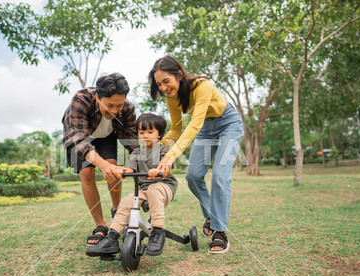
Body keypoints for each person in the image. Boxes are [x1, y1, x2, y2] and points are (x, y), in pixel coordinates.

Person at [148, 56, 244, 254]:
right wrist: (156, 148)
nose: (164, 88)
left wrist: (171, 157)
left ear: (179, 74)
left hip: (228, 123)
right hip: (205, 130)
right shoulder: (171, 98)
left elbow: (194, 124)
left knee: (220, 175)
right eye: (159, 84)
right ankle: (212, 215)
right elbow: (175, 129)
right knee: (192, 176)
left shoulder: (202, 85)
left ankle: (220, 232)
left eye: (166, 81)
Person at [62, 73, 139, 246]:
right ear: (98, 97)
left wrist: (149, 163)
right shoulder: (81, 99)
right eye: (109, 105)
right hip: (78, 135)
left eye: (119, 105)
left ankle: (117, 211)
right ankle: (100, 225)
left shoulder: (127, 108)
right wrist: (102, 166)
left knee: (113, 166)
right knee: (87, 172)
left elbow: (132, 142)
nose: (114, 111)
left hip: (106, 135)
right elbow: (80, 142)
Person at [86, 113, 178, 257]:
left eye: (150, 132)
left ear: (159, 134)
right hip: (144, 189)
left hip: (164, 186)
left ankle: (158, 231)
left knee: (154, 189)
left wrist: (158, 170)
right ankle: (112, 238)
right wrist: (122, 171)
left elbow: (166, 168)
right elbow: (130, 168)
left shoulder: (163, 150)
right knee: (127, 201)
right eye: (141, 132)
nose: (145, 135)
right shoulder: (136, 152)